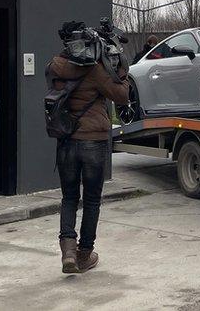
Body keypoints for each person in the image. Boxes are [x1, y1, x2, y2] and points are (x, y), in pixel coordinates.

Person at [48, 24, 131, 274]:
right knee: (92, 200)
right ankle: (84, 254)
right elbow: (122, 96)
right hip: (92, 141)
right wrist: (121, 70)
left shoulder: (54, 66)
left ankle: (68, 253)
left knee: (69, 197)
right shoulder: (95, 70)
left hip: (66, 140)